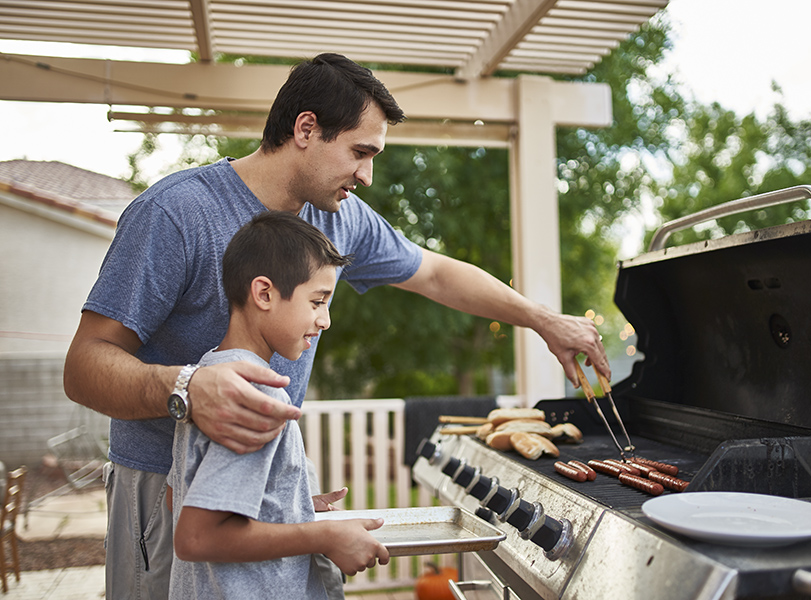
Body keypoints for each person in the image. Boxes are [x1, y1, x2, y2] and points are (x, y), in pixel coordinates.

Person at [64, 52, 609, 599]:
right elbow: (85, 365)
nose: (367, 175)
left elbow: (438, 275)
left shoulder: (337, 218)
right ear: (306, 129)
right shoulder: (176, 214)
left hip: (257, 502)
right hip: (163, 489)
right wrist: (188, 388)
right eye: (360, 152)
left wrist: (543, 321)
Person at [167, 211, 389, 599]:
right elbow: (197, 536)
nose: (326, 321)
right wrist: (322, 534)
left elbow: (179, 495)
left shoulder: (210, 375)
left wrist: (291, 504)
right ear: (264, 293)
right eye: (318, 301)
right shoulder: (257, 393)